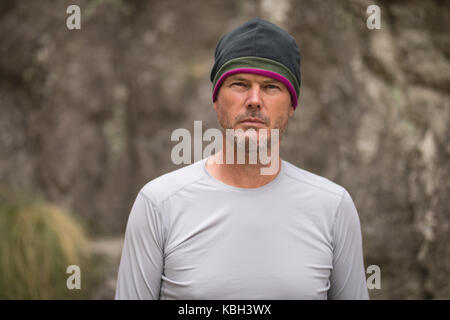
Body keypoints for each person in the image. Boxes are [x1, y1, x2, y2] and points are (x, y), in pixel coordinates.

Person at [115, 18, 369, 300]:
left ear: (292, 104)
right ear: (216, 100)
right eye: (239, 84)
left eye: (272, 86)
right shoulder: (158, 205)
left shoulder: (333, 208)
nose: (254, 99)